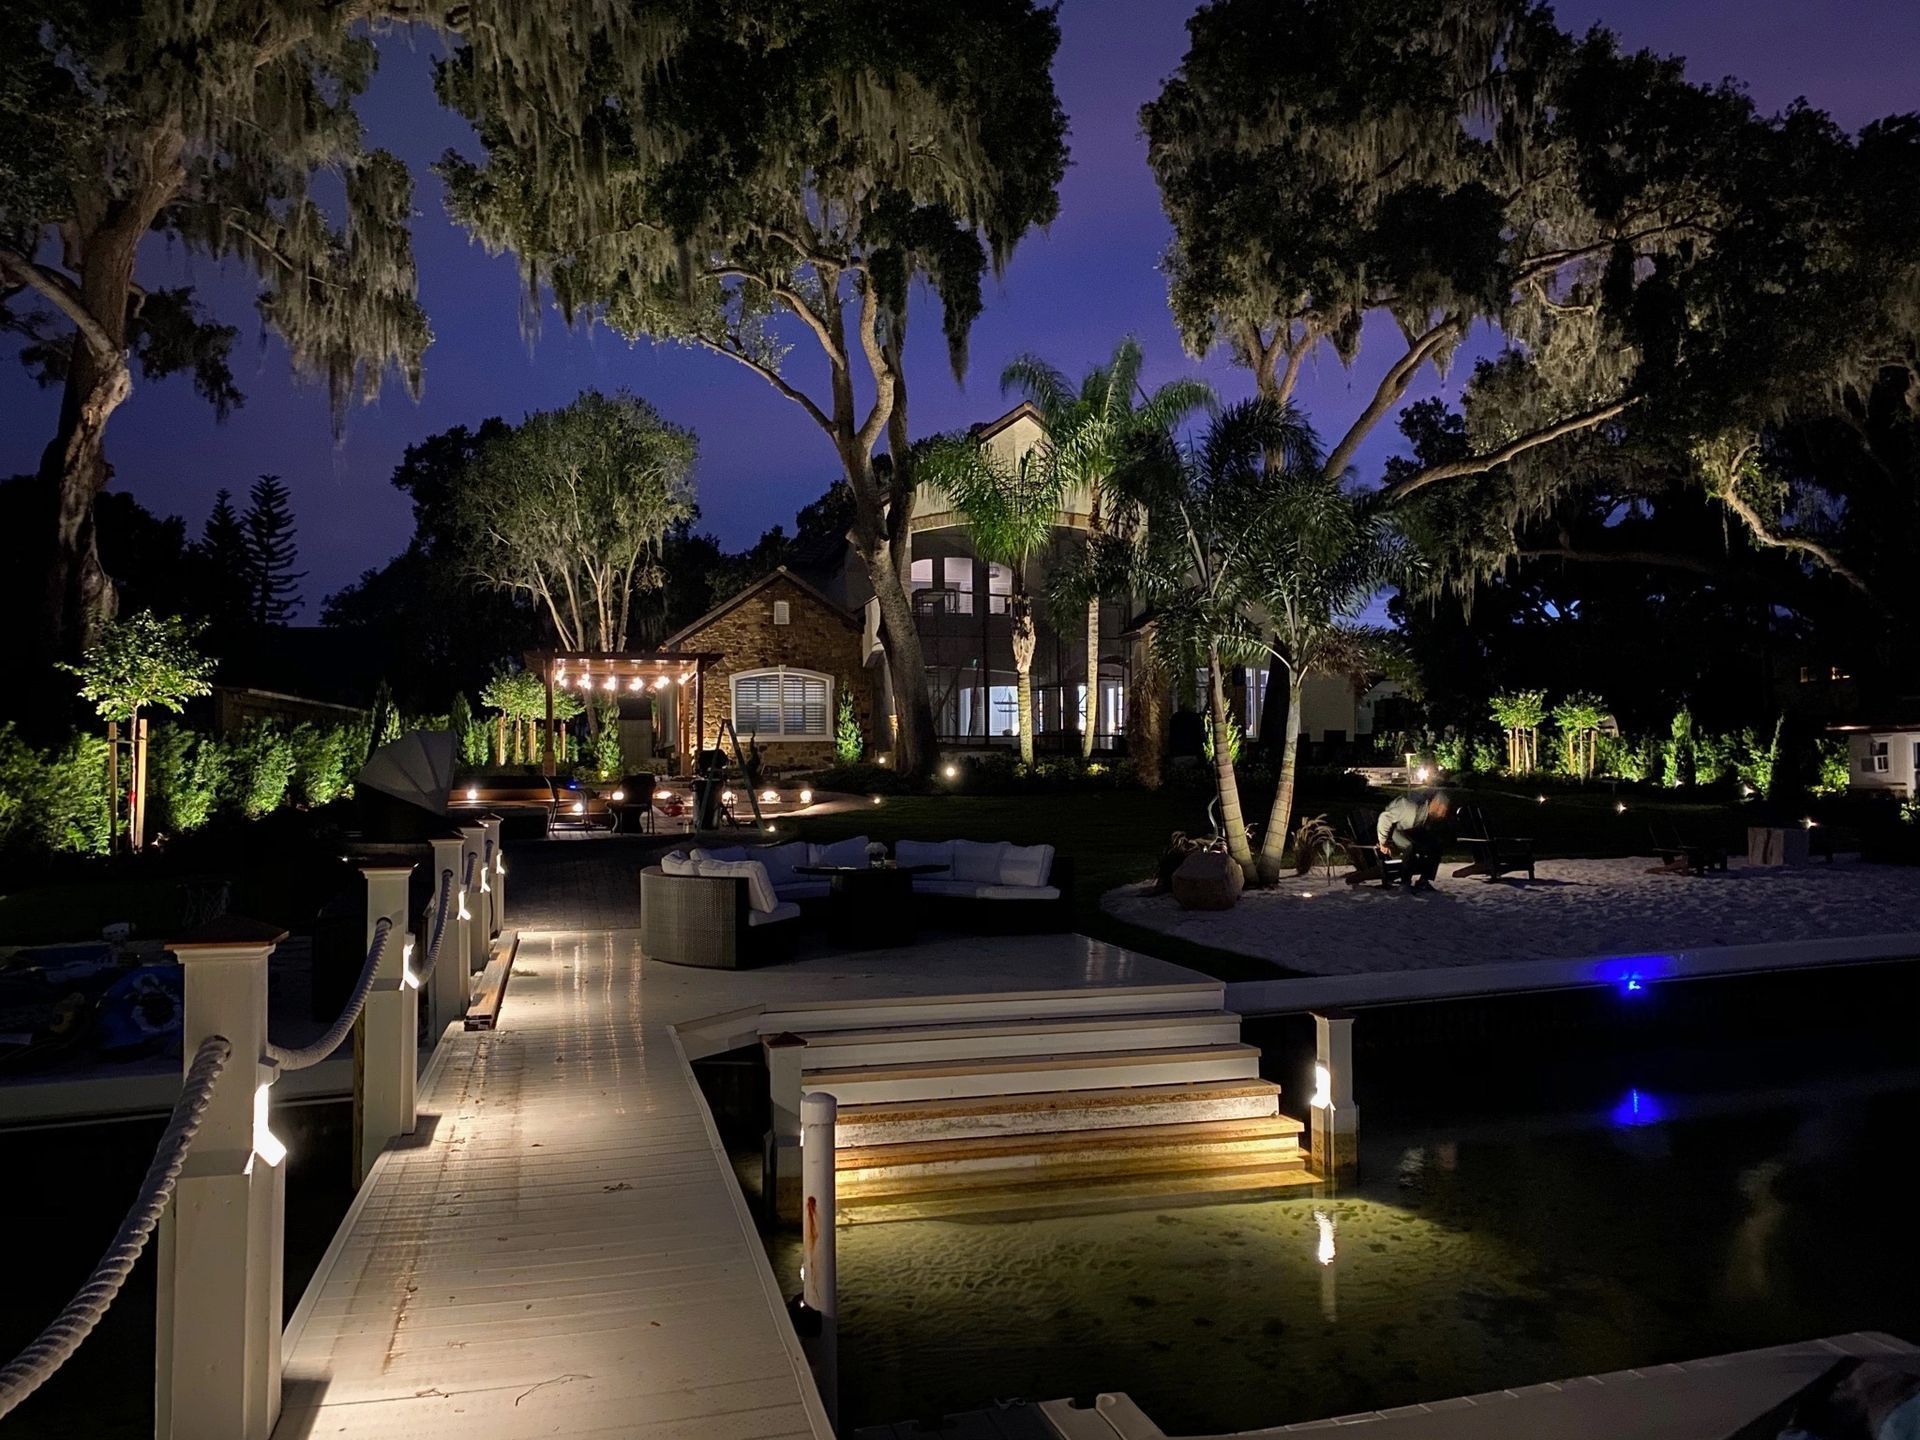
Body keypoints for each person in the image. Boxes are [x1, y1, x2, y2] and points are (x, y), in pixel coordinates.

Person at [1376, 788, 1452, 890]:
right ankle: (1405, 882)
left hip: (1409, 831)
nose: (1443, 814)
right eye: (1442, 809)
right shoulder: (1409, 806)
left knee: (1435, 845)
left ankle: (1424, 880)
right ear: (1435, 803)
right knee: (1410, 846)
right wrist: (1383, 842)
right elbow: (1384, 818)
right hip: (1395, 829)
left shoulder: (1426, 813)